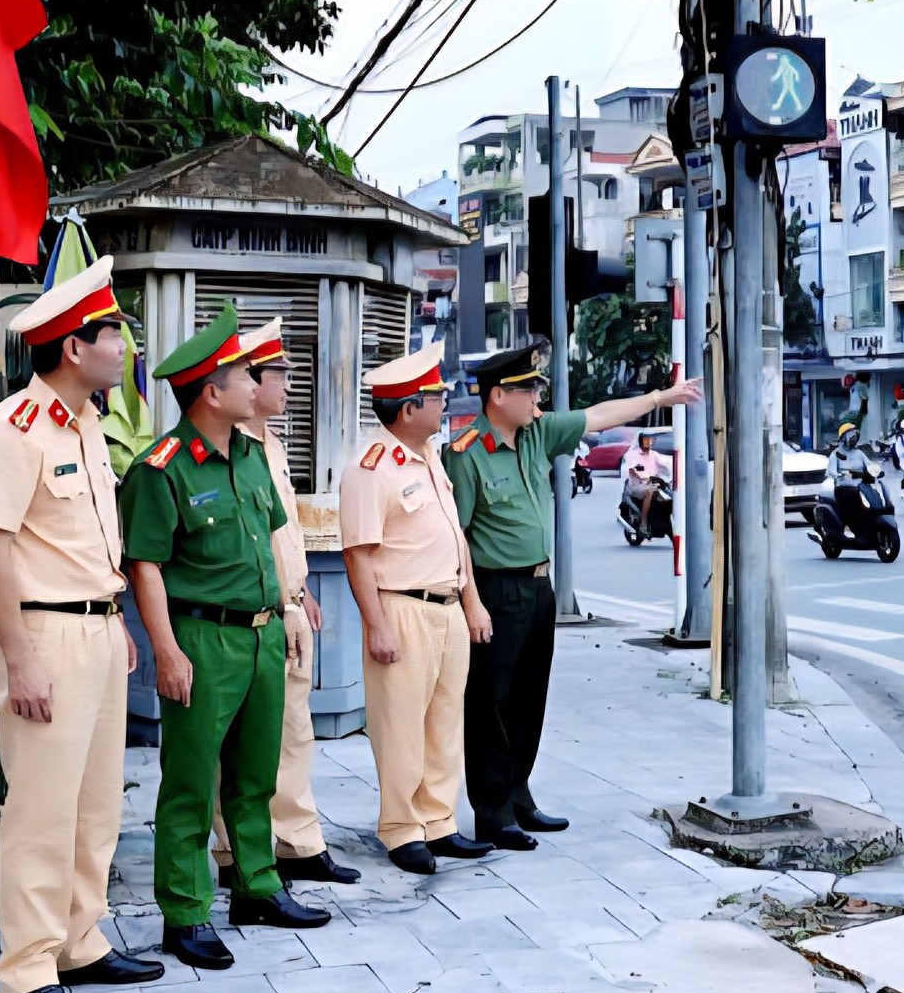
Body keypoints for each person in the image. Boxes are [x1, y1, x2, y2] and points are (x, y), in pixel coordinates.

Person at [0, 258, 163, 993]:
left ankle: (80, 938)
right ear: (74, 347)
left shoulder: (86, 427)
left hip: (95, 627)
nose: (125, 348)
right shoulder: (8, 433)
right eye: (115, 333)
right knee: (42, 808)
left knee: (94, 801)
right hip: (41, 629)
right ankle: (26, 968)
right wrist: (18, 656)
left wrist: (113, 623)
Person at [119, 303, 330, 970]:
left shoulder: (252, 456)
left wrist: (290, 607)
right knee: (190, 781)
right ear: (210, 392)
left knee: (254, 774)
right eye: (243, 374)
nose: (254, 382)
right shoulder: (163, 467)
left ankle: (256, 886)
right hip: (203, 639)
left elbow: (273, 539)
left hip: (262, 635)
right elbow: (144, 564)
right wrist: (167, 649)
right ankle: (185, 913)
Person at [449, 344, 701, 847]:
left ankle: (520, 798)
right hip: (495, 589)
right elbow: (456, 537)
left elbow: (599, 416)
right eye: (529, 390)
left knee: (528, 698)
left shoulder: (537, 434)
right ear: (498, 395)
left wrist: (662, 395)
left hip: (538, 586)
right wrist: (470, 603)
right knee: (490, 704)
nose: (538, 400)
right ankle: (493, 814)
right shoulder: (466, 453)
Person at [211, 320, 360, 891]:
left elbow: (283, 531)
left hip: (288, 608)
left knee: (294, 730)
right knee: (240, 742)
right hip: (249, 613)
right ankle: (233, 852)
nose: (288, 385)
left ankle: (298, 841)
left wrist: (299, 594)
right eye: (280, 373)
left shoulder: (269, 442)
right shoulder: (230, 445)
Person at [340, 349, 491, 875]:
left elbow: (456, 538)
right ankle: (402, 829)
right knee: (400, 726)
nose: (445, 403)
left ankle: (439, 822)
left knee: (446, 723)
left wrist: (471, 601)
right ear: (408, 409)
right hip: (401, 609)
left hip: (446, 608)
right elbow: (358, 553)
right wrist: (375, 626)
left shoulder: (431, 457)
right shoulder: (370, 469)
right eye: (436, 398)